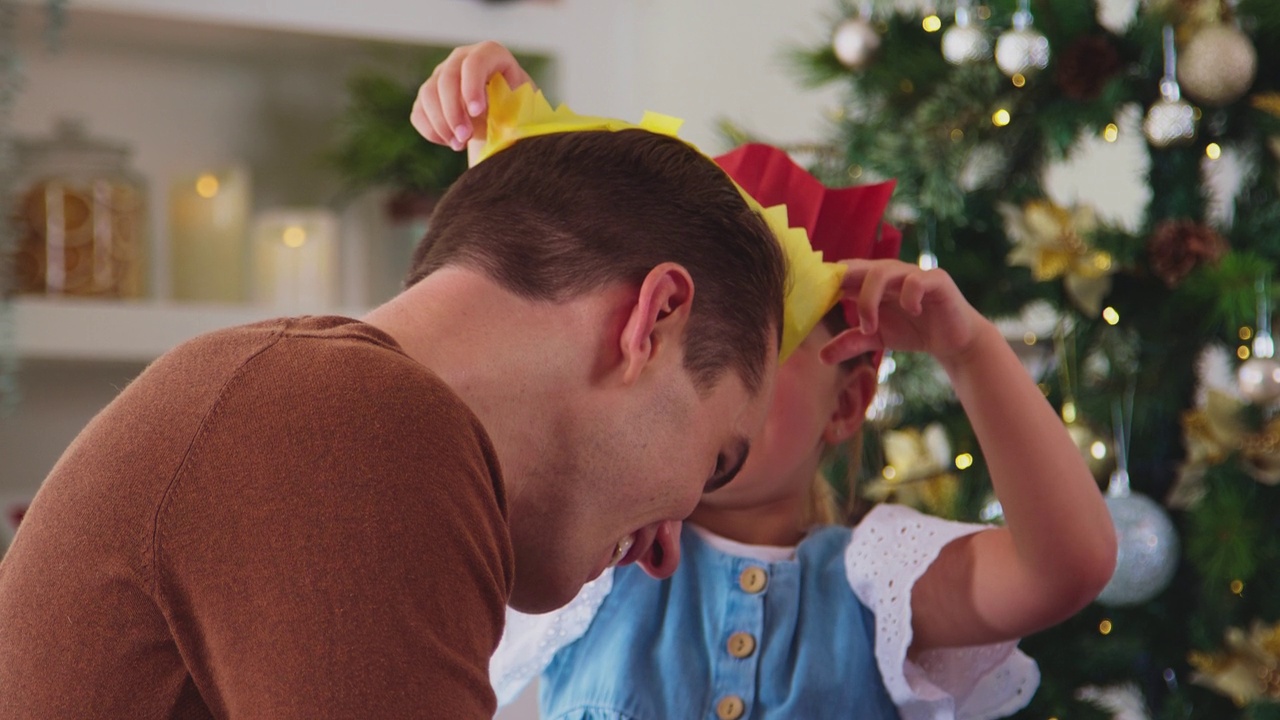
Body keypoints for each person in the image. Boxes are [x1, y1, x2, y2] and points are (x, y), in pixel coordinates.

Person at [0, 79, 795, 718]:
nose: (667, 551)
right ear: (653, 320)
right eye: (717, 462)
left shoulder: (303, 397)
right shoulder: (352, 420)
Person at [414, 42, 1119, 719]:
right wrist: (498, 142)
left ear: (847, 403)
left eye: (764, 350)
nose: (704, 372)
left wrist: (970, 352)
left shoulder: (878, 585)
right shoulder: (595, 558)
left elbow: (1068, 567)